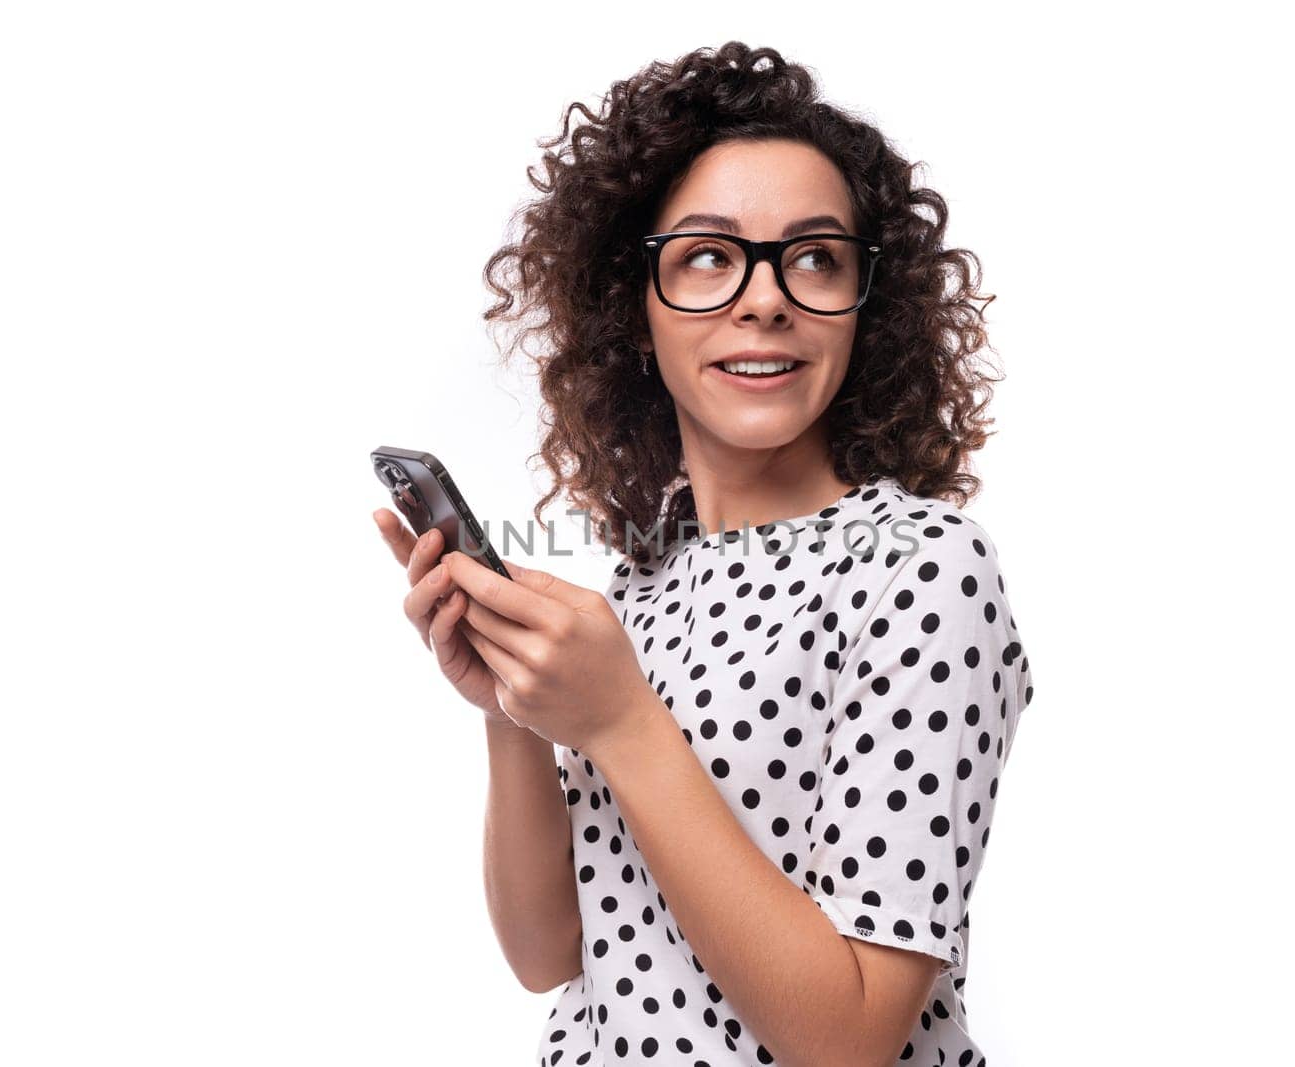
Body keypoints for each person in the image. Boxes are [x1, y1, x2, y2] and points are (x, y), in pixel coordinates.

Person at [372, 41, 1035, 1067]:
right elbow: (551, 955)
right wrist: (513, 713)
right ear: (634, 306)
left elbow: (849, 1037)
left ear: (870, 306)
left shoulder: (922, 569)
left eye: (815, 256)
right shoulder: (645, 579)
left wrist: (619, 718)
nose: (764, 297)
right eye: (708, 255)